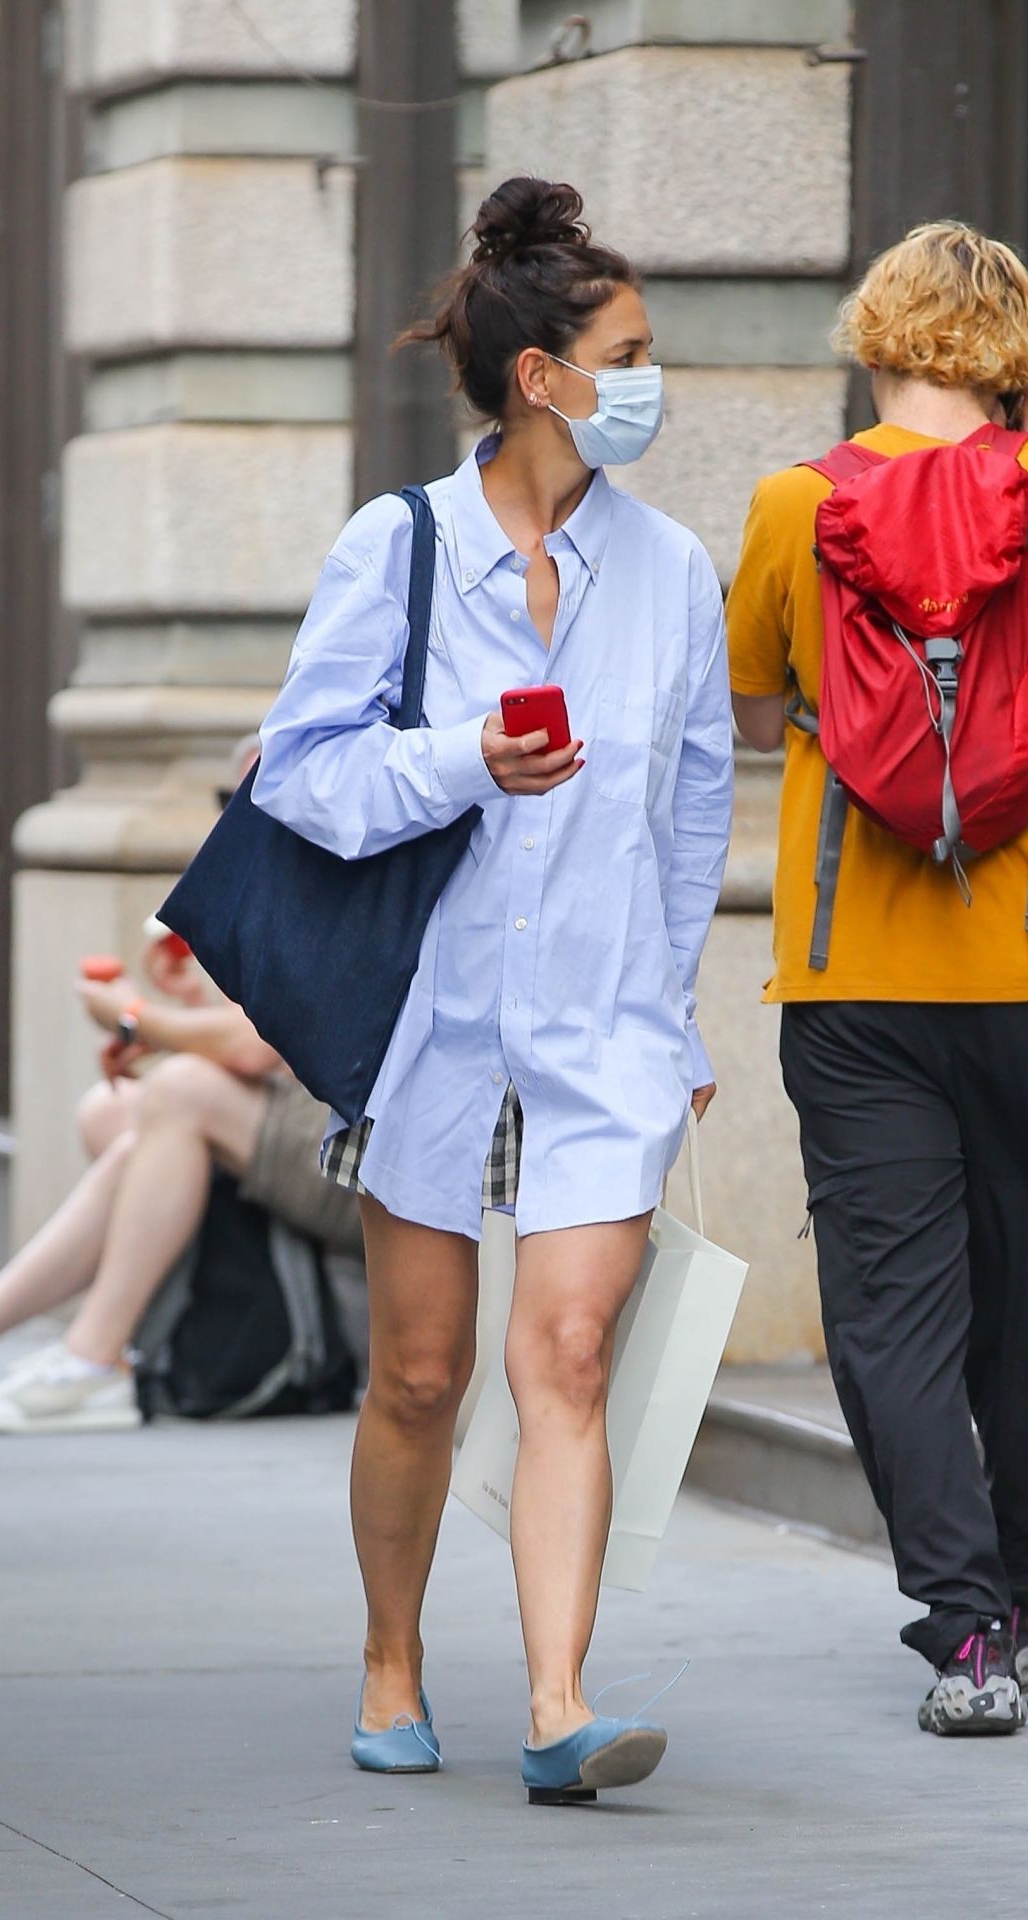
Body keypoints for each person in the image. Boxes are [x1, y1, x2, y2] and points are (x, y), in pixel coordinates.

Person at [253, 176, 732, 1801]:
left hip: (603, 1035)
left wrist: (672, 1020)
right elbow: (305, 778)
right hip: (430, 1029)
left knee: (573, 1355)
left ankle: (555, 1703)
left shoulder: (673, 572)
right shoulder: (398, 549)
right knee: (422, 1371)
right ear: (543, 375)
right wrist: (470, 760)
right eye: (633, 350)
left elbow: (692, 814)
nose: (655, 380)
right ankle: (392, 1658)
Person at [727, 221, 1028, 1736]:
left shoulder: (795, 505)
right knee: (1023, 1294)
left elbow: (759, 693)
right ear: (1022, 357)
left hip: (857, 982)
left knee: (893, 1314)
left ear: (877, 340)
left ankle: (965, 1628)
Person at [0, 807, 363, 1435]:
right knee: (112, 1113)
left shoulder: (358, 856)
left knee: (179, 1093)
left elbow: (262, 1046)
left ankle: (85, 1359)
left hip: (370, 1154)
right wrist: (173, 1018)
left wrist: (137, 1018)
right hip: (312, 1127)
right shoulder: (287, 863)